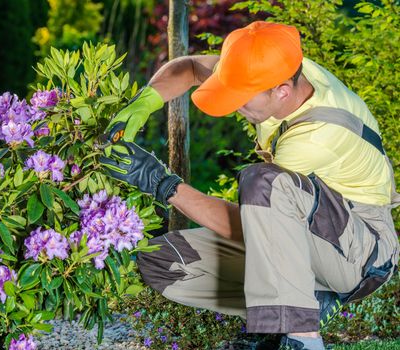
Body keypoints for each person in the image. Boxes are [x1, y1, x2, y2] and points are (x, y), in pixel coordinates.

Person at [100, 21, 399, 350]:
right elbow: (187, 67)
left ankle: (303, 337)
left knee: (262, 181)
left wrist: (160, 183)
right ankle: (309, 301)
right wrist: (141, 107)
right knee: (162, 261)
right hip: (308, 234)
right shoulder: (276, 69)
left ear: (282, 90)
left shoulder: (316, 136)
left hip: (363, 252)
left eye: (241, 98)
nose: (233, 106)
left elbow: (255, 228)